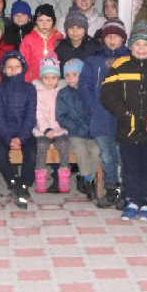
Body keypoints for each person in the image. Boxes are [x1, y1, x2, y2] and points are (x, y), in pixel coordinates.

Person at [100, 22, 147, 222]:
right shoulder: (120, 66)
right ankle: (132, 200)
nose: (141, 49)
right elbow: (108, 94)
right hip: (128, 129)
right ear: (130, 46)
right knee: (130, 168)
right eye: (137, 44)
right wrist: (124, 113)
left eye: (146, 44)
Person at [81, 18, 129, 209]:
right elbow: (85, 85)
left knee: (122, 155)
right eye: (108, 36)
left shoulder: (130, 58)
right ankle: (111, 189)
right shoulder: (94, 60)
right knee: (107, 155)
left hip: (123, 117)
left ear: (123, 39)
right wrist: (91, 106)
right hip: (101, 116)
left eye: (116, 36)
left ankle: (126, 190)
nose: (112, 40)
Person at [0, 51, 38, 209]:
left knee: (31, 153)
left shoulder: (29, 89)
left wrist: (21, 137)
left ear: (23, 68)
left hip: (25, 133)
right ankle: (13, 182)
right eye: (9, 67)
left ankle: (24, 184)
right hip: (5, 133)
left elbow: (30, 115)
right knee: (0, 155)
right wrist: (8, 137)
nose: (13, 70)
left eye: (16, 66)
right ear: (3, 69)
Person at [57, 59, 96, 200]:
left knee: (96, 151)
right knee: (80, 150)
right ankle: (87, 179)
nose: (70, 78)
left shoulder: (91, 91)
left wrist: (92, 127)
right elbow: (61, 116)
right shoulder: (63, 94)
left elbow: (96, 112)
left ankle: (88, 178)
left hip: (91, 132)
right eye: (67, 75)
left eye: (75, 74)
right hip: (75, 132)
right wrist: (75, 127)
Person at [31, 55, 71, 193]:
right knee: (41, 146)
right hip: (42, 130)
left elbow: (65, 111)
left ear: (58, 78)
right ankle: (40, 178)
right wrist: (46, 129)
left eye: (53, 78)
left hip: (60, 128)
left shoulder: (62, 92)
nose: (50, 81)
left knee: (64, 144)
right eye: (46, 78)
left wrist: (62, 126)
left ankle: (64, 177)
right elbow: (38, 113)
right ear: (41, 78)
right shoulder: (38, 92)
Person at [19, 4, 64, 82]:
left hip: (53, 81)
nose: (44, 24)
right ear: (35, 21)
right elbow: (23, 62)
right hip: (33, 81)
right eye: (41, 20)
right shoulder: (28, 39)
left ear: (53, 21)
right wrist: (27, 81)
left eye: (48, 20)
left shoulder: (59, 38)